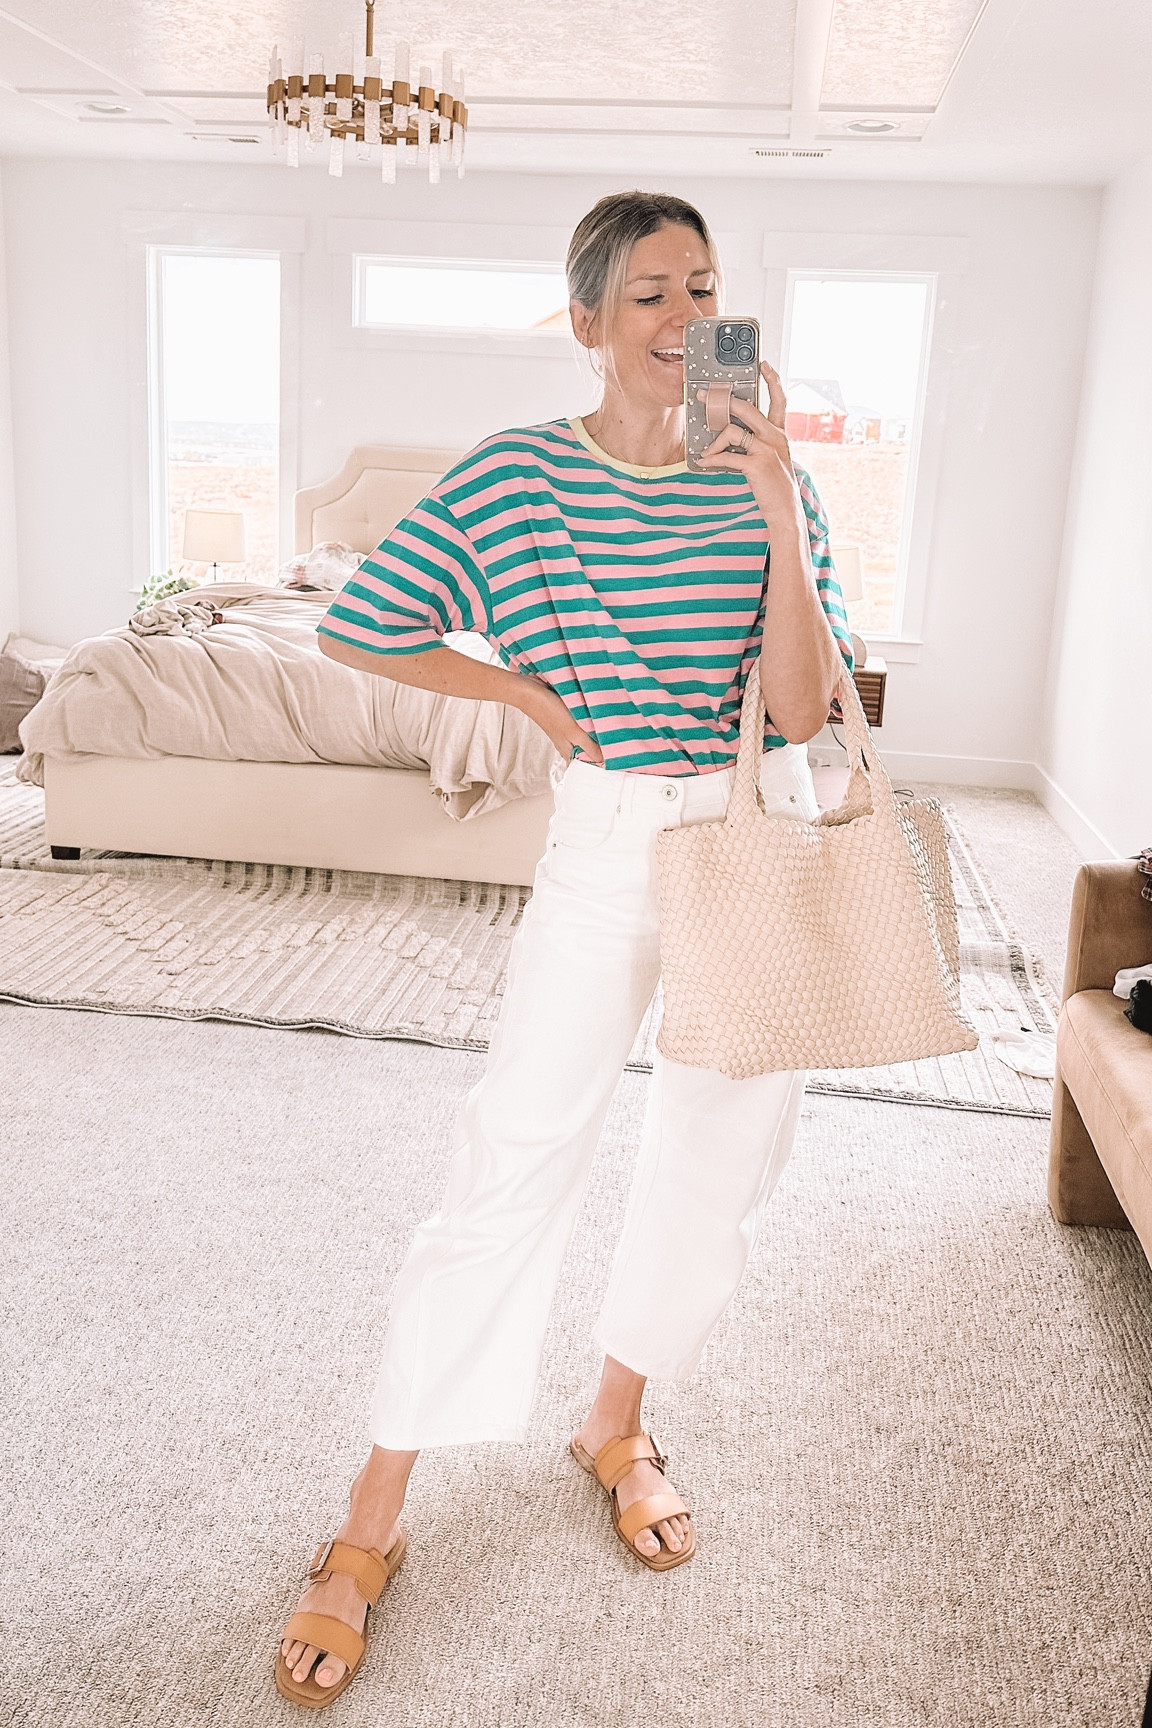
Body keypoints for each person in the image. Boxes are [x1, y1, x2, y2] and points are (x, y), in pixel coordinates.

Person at [276, 189, 853, 1707]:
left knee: (719, 1154)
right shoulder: (519, 476)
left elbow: (800, 709)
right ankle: (373, 1512)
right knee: (513, 1152)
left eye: (706, 289)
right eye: (650, 294)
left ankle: (616, 1419)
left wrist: (783, 508)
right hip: (608, 833)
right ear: (588, 321)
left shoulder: (765, 479)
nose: (683, 320)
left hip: (754, 819)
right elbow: (359, 628)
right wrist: (534, 704)